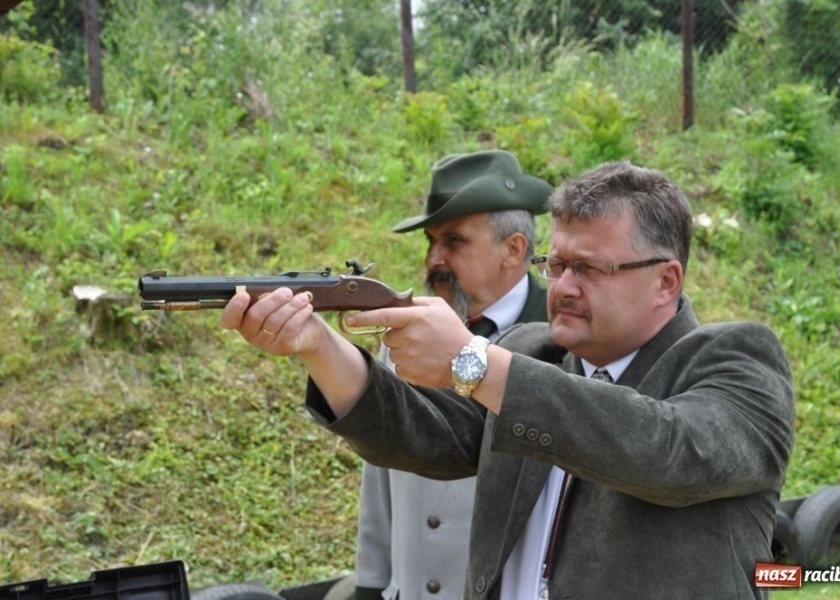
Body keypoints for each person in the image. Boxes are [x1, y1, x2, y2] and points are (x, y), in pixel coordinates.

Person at [220, 160, 795, 599]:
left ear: (666, 281)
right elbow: (422, 431)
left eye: (588, 268)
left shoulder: (738, 359)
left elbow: (664, 450)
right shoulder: (532, 351)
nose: (563, 286)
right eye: (557, 265)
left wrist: (472, 360)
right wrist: (319, 344)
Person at [356, 150, 552, 600]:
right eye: (431, 242)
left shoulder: (561, 338)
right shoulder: (407, 334)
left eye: (454, 241)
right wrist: (371, 582)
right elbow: (379, 468)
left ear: (513, 249)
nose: (434, 259)